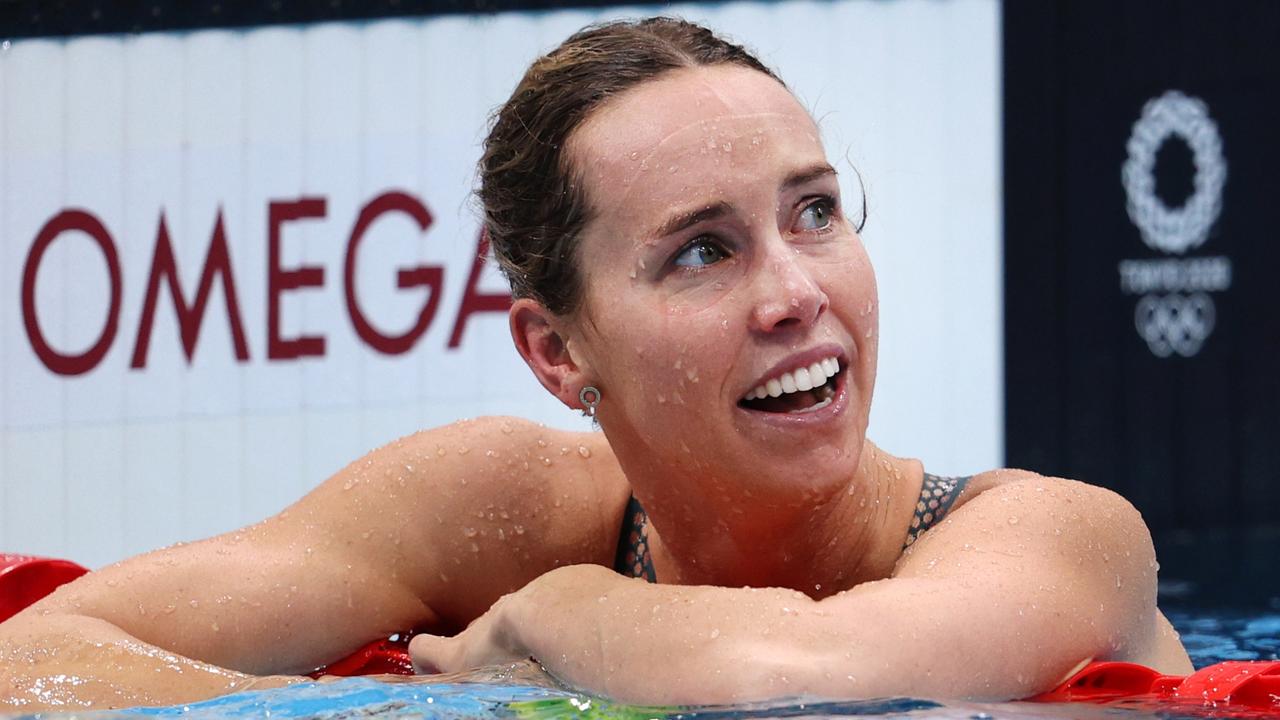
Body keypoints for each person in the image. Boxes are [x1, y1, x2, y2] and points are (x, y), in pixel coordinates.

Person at [0, 17, 1191, 711]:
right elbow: (35, 659)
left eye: (814, 213)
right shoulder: (497, 506)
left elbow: (816, 678)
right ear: (555, 350)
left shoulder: (1053, 540)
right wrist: (371, 704)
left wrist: (557, 620)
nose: (793, 294)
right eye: (702, 252)